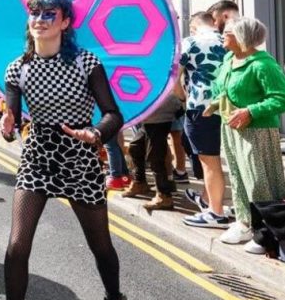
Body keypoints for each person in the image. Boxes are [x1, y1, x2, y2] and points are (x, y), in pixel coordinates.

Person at [0, 0, 129, 300]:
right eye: (34, 13)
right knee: (17, 245)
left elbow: (113, 114)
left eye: (48, 14)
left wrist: (96, 134)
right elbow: (11, 119)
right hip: (38, 155)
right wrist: (7, 124)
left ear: (65, 22)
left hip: (80, 155)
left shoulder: (86, 62)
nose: (39, 20)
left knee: (100, 245)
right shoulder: (17, 69)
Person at [207, 17, 285, 248]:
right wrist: (215, 104)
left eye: (228, 32)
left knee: (258, 181)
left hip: (257, 131)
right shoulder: (229, 59)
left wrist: (251, 111)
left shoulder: (263, 64)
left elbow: (280, 98)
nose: (223, 35)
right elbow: (224, 89)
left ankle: (268, 232)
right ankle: (244, 222)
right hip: (231, 128)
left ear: (243, 37)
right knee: (238, 177)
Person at [175, 12, 231, 228]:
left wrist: (183, 97)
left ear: (194, 26)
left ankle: (216, 213)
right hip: (229, 106)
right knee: (218, 160)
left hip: (201, 107)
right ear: (213, 23)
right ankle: (208, 201)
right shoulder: (227, 40)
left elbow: (174, 78)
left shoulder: (190, 42)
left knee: (209, 161)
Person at [121, 92, 183, 211]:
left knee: (155, 157)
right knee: (135, 147)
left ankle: (164, 196)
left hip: (160, 116)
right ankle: (140, 183)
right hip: (149, 118)